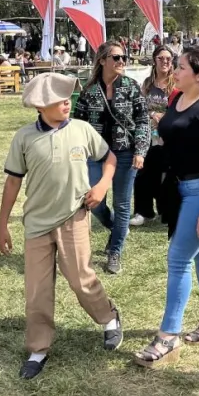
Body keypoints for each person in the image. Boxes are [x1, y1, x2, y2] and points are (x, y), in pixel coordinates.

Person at [0, 73, 123, 379]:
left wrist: (103, 185)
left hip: (74, 217)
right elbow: (13, 181)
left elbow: (109, 159)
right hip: (37, 224)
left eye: (68, 97)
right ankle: (38, 348)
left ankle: (108, 319)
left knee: (81, 278)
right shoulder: (24, 138)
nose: (67, 102)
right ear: (41, 106)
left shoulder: (81, 130)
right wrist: (3, 224)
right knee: (37, 290)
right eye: (58, 99)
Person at [133, 45, 199, 368]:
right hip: (180, 189)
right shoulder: (177, 98)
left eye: (182, 67)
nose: (175, 71)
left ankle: (168, 336)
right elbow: (175, 127)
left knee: (178, 258)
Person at [73, 40, 150, 274]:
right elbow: (78, 124)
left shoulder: (131, 86)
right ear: (103, 60)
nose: (121, 62)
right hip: (96, 154)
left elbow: (142, 120)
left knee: (123, 204)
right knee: (94, 202)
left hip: (125, 153)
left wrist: (140, 150)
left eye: (123, 57)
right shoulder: (89, 91)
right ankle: (119, 227)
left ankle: (115, 251)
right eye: (116, 57)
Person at [132, 45, 175, 227]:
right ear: (154, 60)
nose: (165, 62)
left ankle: (166, 210)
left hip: (169, 135)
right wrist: (152, 115)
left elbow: (181, 106)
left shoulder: (176, 83)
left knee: (166, 174)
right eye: (161, 58)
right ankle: (143, 211)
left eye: (168, 59)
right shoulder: (147, 84)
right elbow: (140, 106)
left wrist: (165, 117)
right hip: (148, 133)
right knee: (144, 172)